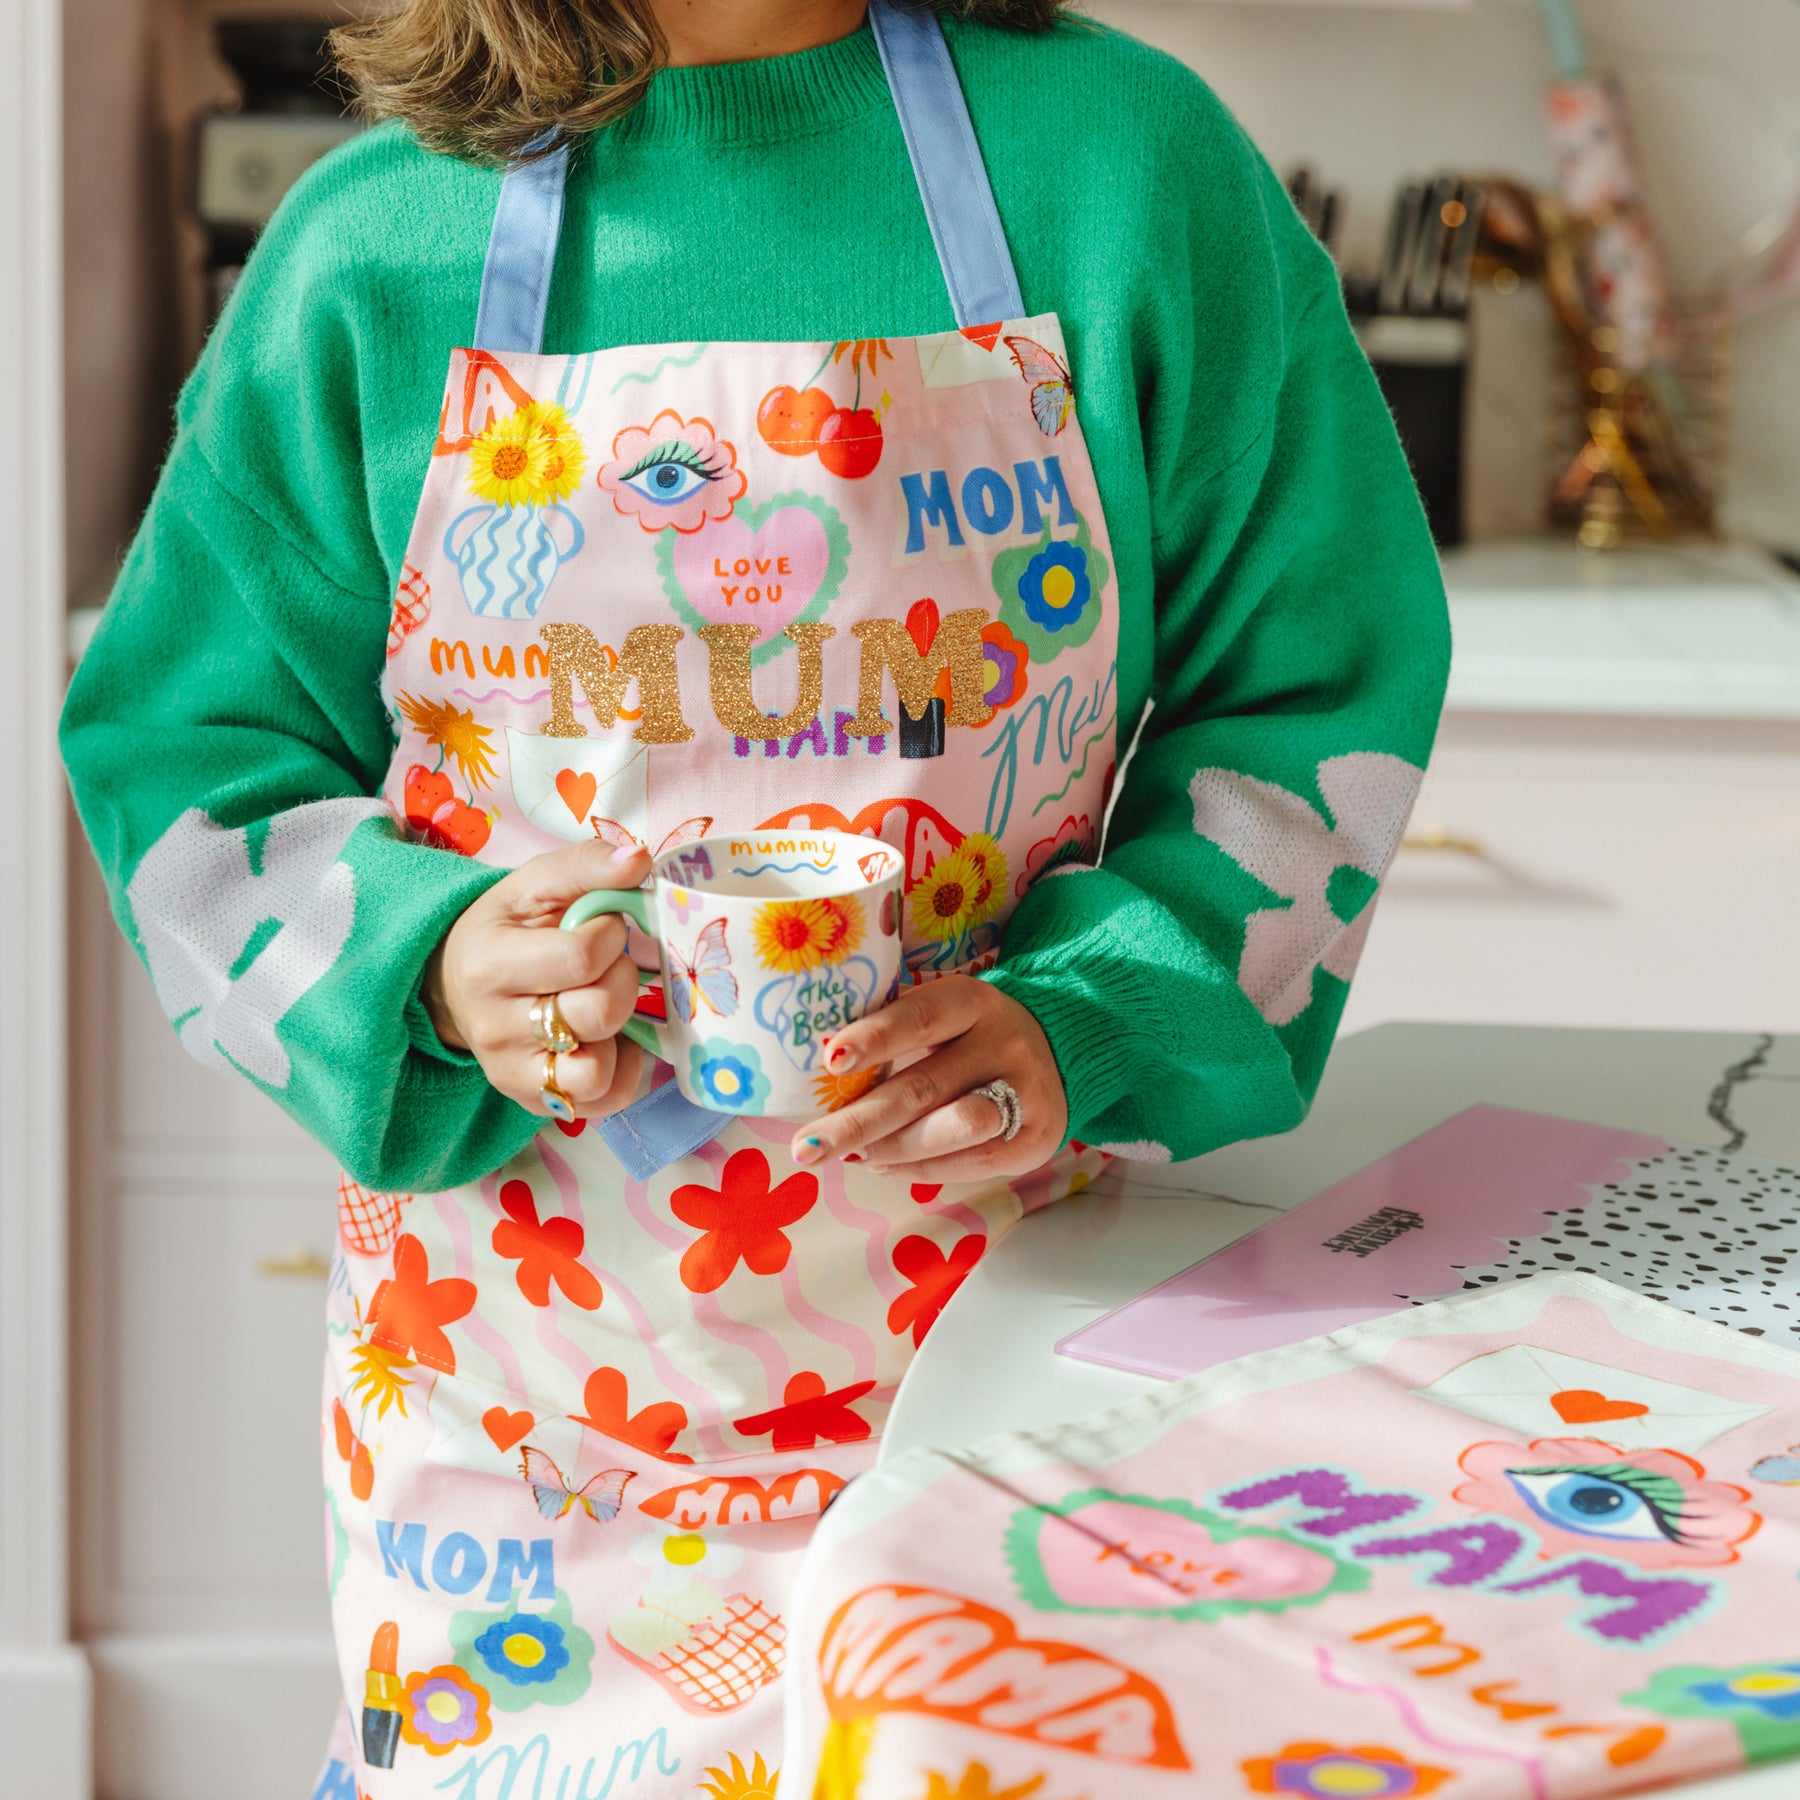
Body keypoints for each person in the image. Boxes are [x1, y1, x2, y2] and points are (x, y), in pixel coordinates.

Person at [61, 0, 1449, 1791]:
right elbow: (187, 759)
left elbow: (1320, 693)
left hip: (1012, 1378)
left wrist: (1093, 1007)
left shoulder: (1128, 173)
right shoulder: (372, 244)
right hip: (513, 1433)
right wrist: (428, 967)